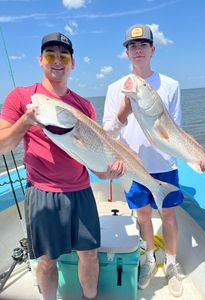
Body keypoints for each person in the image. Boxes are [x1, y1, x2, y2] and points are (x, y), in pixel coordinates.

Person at [0, 32, 124, 300]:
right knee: (46, 260)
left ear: (72, 63)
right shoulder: (21, 97)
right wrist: (26, 121)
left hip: (81, 191)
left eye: (64, 55)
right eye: (50, 55)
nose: (57, 61)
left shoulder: (84, 106)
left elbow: (92, 161)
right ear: (40, 60)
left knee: (89, 254)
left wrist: (107, 171)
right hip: (42, 193)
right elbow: (2, 145)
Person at [103, 24, 185, 297]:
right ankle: (149, 259)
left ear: (153, 49)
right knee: (143, 216)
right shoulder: (115, 88)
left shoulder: (171, 85)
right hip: (133, 166)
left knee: (169, 216)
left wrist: (192, 156)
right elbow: (108, 133)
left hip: (164, 165)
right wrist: (124, 112)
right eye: (132, 46)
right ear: (126, 53)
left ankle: (171, 264)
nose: (137, 50)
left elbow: (175, 130)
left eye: (142, 45)